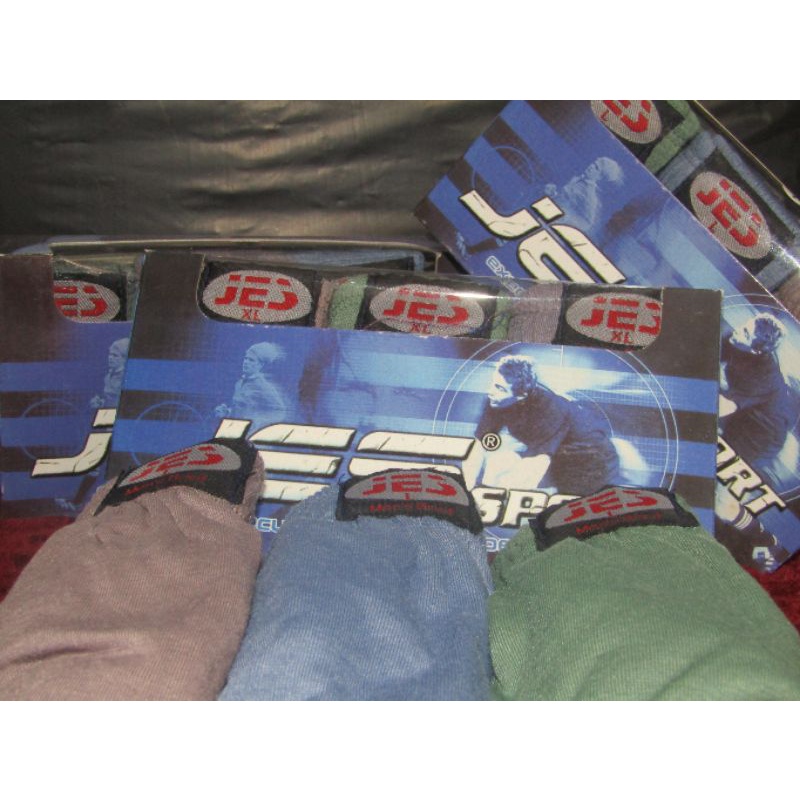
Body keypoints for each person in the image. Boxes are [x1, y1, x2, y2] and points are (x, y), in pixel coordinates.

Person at [464, 354, 619, 496]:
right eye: (494, 384)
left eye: (500, 388)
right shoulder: (496, 400)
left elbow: (538, 464)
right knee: (501, 464)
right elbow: (479, 446)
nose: (490, 392)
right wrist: (468, 489)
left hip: (593, 462)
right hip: (558, 454)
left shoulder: (550, 410)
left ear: (522, 395)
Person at [719, 312, 796, 466]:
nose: (738, 330)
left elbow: (722, 407)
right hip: (745, 412)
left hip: (760, 438)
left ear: (757, 350)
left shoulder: (762, 378)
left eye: (745, 332)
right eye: (744, 326)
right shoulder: (736, 339)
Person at [215, 342, 288, 432]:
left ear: (260, 365)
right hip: (235, 430)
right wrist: (227, 412)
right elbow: (241, 408)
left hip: (250, 433)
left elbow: (280, 411)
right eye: (246, 358)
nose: (246, 362)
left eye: (251, 360)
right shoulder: (239, 383)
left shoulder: (263, 386)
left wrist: (259, 421)